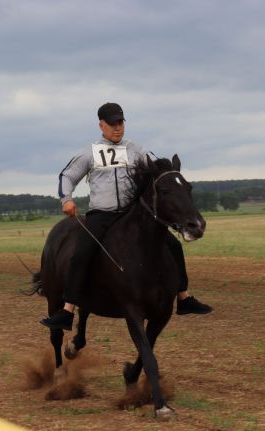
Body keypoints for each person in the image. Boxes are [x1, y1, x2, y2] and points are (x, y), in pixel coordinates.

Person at [40, 102, 212, 330]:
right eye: (112, 124)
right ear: (101, 125)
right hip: (101, 215)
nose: (117, 128)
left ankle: (184, 297)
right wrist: (67, 200)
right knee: (81, 252)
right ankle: (68, 310)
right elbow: (67, 176)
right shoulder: (88, 153)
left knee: (173, 245)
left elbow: (159, 167)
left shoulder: (137, 150)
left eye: (120, 122)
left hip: (131, 215)